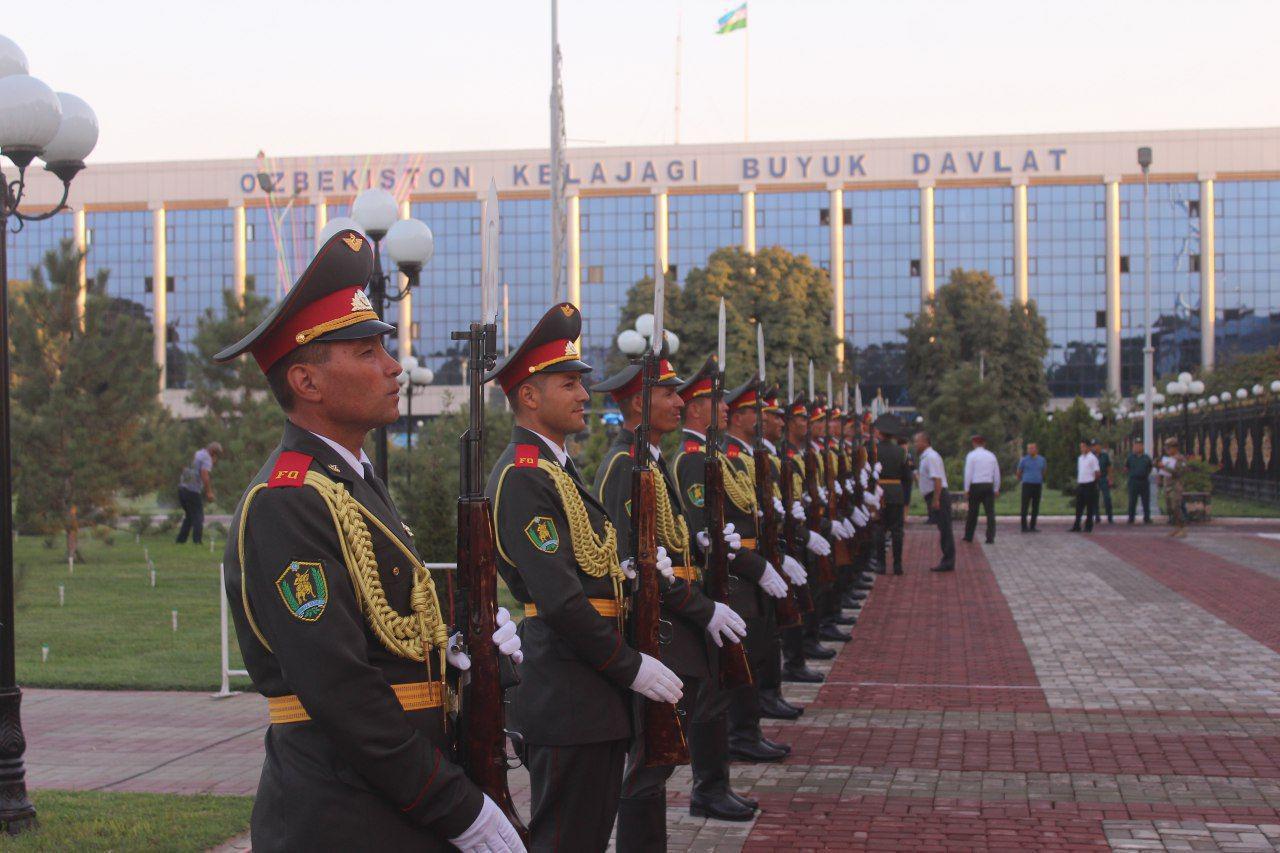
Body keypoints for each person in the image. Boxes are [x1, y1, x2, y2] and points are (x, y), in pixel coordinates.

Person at [213, 229, 525, 852]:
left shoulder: (350, 481)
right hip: (345, 815)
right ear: (307, 382)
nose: (393, 367)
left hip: (389, 804)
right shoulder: (289, 501)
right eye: (366, 353)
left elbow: (386, 637)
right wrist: (459, 808)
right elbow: (341, 689)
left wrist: (459, 645)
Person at [484, 303, 683, 852]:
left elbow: (587, 570)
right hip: (569, 691)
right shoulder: (525, 477)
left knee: (586, 835)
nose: (582, 394)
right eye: (569, 383)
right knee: (568, 839)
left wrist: (631, 575)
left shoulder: (557, 469)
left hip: (587, 689)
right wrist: (630, 667)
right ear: (528, 394)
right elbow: (561, 600)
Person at [591, 358, 756, 829]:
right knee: (651, 760)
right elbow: (628, 561)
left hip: (679, 618)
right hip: (660, 624)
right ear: (637, 403)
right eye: (668, 394)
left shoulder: (650, 460)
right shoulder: (625, 465)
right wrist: (698, 607)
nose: (679, 402)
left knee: (662, 758)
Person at [913, 431, 955, 572]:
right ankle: (947, 558)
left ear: (925, 442)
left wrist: (936, 499)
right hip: (934, 495)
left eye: (917, 442)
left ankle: (948, 560)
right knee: (942, 527)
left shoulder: (931, 457)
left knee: (945, 528)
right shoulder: (926, 457)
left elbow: (937, 479)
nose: (915, 445)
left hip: (938, 495)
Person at [872, 414, 907, 575]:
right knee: (897, 530)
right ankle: (898, 565)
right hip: (896, 491)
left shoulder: (874, 449)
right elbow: (906, 475)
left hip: (880, 492)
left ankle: (881, 564)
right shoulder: (901, 451)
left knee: (880, 528)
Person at [176, 441, 222, 544]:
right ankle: (197, 541)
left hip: (182, 488)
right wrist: (209, 492)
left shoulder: (199, 453)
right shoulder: (207, 458)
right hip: (192, 490)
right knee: (198, 516)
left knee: (189, 516)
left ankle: (180, 540)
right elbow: (204, 474)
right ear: (214, 453)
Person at [962, 434, 1000, 545]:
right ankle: (990, 537)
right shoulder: (991, 455)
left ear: (974, 443)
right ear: (984, 443)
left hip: (975, 486)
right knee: (990, 513)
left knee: (973, 512)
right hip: (988, 485)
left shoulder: (971, 455)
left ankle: (968, 536)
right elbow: (996, 473)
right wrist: (996, 488)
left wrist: (966, 488)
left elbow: (968, 472)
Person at [1070, 440, 1101, 533]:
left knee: (1089, 506)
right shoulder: (1080, 458)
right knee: (1079, 506)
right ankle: (1077, 525)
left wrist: (1094, 482)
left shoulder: (1092, 458)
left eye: (1083, 446)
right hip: (1081, 484)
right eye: (1081, 447)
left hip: (1089, 484)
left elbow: (1097, 472)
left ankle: (1088, 526)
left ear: (1088, 447)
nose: (1081, 449)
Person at [1159, 438, 1188, 537]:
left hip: (1176, 486)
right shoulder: (1168, 459)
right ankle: (1177, 527)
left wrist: (1164, 467)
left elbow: (1178, 472)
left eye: (1169, 447)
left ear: (1175, 447)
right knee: (1170, 508)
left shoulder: (1180, 459)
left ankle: (1183, 528)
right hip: (1167, 485)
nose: (1167, 450)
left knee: (1176, 507)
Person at [1016, 442, 1046, 533]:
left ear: (1036, 449)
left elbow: (1044, 471)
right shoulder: (1024, 460)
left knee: (1035, 506)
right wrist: (1023, 479)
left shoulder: (1042, 459)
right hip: (1027, 484)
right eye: (1028, 448)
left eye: (1032, 448)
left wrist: (1038, 478)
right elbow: (1019, 472)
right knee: (1025, 506)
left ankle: (1033, 526)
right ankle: (1024, 526)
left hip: (1037, 485)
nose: (1030, 450)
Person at [1125, 439, 1154, 524]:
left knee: (1146, 501)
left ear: (1142, 447)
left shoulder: (1146, 458)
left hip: (1144, 481)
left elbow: (1150, 468)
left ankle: (1147, 518)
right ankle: (1131, 518)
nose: (1137, 447)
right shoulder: (1130, 457)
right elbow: (1126, 468)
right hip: (1133, 481)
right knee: (1132, 500)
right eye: (1135, 445)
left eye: (1139, 445)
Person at [1091, 439, 1114, 525]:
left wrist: (1110, 478)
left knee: (1107, 498)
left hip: (1103, 478)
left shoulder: (1104, 456)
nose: (1094, 447)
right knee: (1094, 499)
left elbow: (1109, 468)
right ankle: (1097, 517)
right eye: (1093, 446)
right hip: (1093, 479)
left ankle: (1110, 517)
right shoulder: (1091, 456)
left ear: (1099, 446)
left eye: (1095, 445)